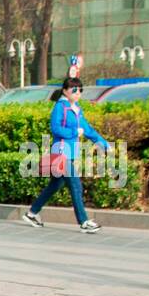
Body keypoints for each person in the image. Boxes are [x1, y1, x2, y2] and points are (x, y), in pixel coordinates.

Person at [22, 76, 109, 234]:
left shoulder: (76, 109)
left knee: (56, 185)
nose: (77, 93)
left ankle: (32, 213)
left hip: (70, 152)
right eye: (74, 90)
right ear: (65, 91)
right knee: (76, 185)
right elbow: (55, 129)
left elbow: (87, 129)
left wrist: (104, 143)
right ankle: (83, 222)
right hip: (62, 152)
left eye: (80, 90)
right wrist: (74, 132)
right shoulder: (60, 107)